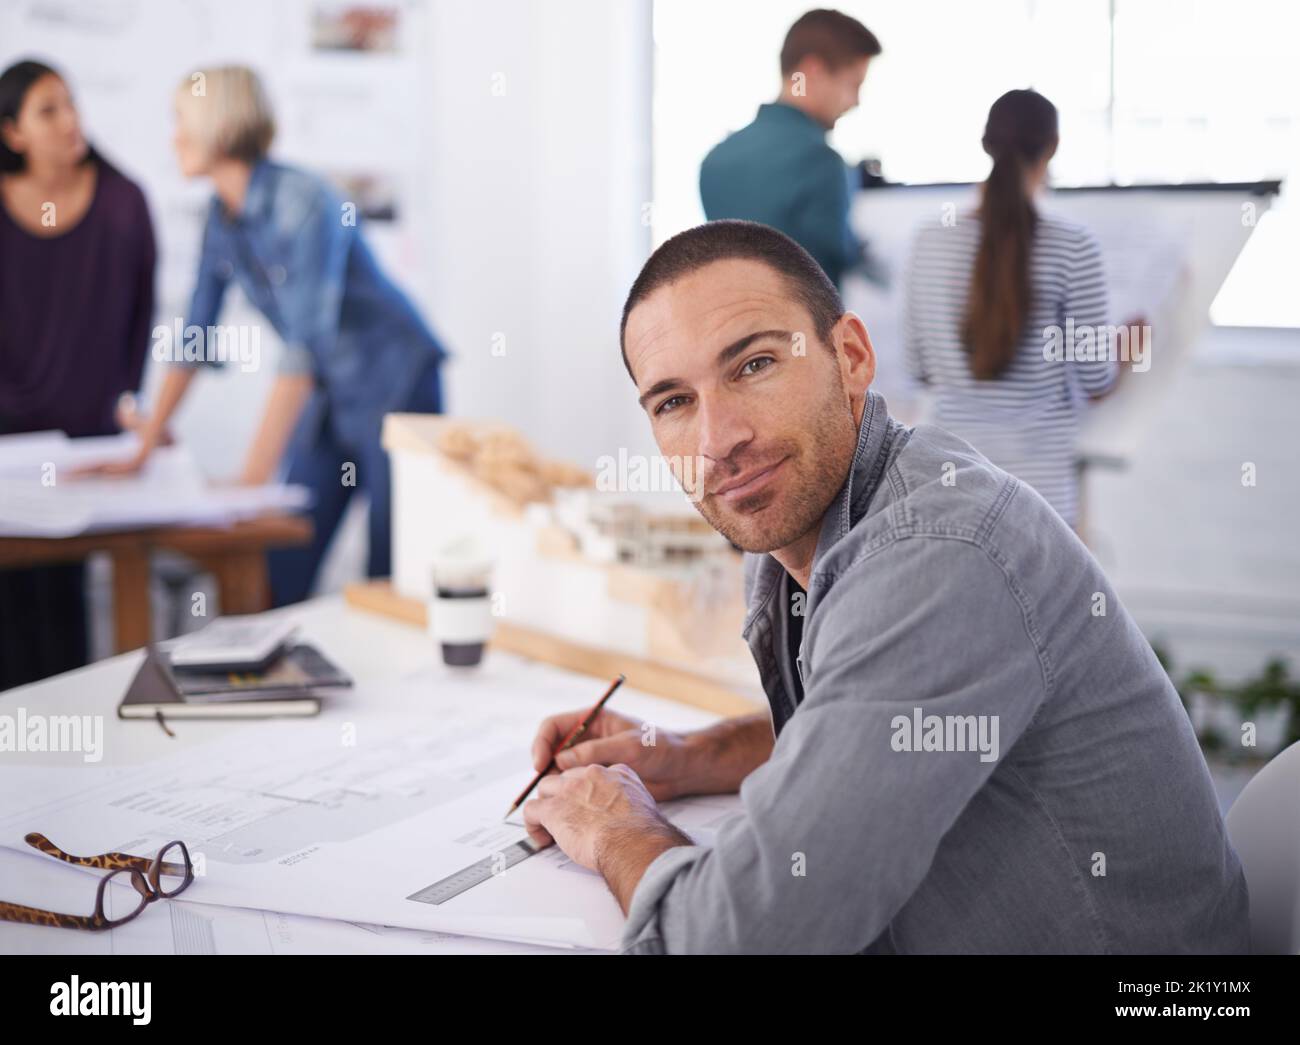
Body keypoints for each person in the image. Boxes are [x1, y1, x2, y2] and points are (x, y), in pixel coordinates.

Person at [520, 220, 1249, 954]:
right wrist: (685, 755)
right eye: (674, 401)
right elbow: (858, 732)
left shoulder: (934, 556)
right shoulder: (789, 534)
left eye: (754, 365)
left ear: (852, 358)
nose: (718, 440)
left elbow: (741, 938)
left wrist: (622, 827)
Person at [90, 66, 447, 606]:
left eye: (181, 121)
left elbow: (303, 348)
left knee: (390, 577)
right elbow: (196, 335)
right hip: (329, 395)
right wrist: (144, 445)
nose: (175, 137)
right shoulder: (221, 215)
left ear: (221, 124)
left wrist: (250, 480)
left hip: (397, 385)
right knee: (279, 572)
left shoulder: (306, 201)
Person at [0, 59, 156, 687]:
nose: (70, 121)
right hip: (7, 442)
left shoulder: (123, 202)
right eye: (48, 110)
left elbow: (139, 320)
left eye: (70, 103)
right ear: (13, 134)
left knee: (66, 603)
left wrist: (131, 405)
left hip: (88, 441)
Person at [902, 89, 1119, 528]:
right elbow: (1096, 381)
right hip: (1040, 501)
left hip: (949, 483)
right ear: (1052, 148)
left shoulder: (929, 241)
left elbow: (920, 369)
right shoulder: (1074, 246)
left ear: (987, 145)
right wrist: (1131, 349)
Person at [699, 8, 880, 289]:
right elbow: (838, 256)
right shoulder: (823, 162)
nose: (855, 101)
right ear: (813, 71)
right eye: (853, 84)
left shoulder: (715, 159)